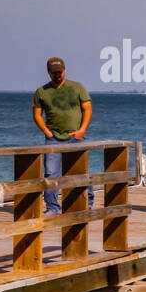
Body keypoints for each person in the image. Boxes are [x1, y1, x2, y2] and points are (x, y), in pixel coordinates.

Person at [32, 57, 94, 214]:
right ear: (48, 73)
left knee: (82, 171)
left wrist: (82, 130)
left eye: (60, 72)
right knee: (51, 174)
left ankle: (87, 203)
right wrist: (46, 131)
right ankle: (52, 208)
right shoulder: (42, 91)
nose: (57, 75)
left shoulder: (77, 87)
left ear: (65, 70)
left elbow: (87, 108)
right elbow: (37, 114)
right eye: (54, 73)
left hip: (75, 137)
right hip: (53, 139)